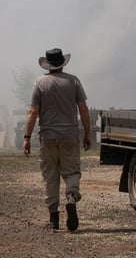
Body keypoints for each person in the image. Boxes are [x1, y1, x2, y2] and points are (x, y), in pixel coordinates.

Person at [23, 48, 91, 232]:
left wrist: (27, 137)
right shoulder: (73, 81)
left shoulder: (39, 83)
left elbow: (33, 112)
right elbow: (83, 109)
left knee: (51, 176)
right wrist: (87, 134)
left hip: (48, 136)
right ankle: (71, 196)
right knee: (71, 171)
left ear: (48, 64)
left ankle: (54, 218)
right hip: (69, 135)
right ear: (62, 63)